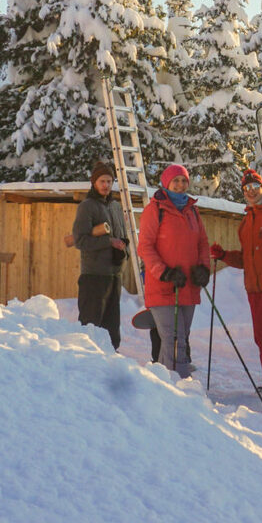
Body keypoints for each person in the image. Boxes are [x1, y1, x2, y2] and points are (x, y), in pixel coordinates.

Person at [210, 168, 262, 394]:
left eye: (255, 186)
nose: (251, 191)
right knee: (261, 334)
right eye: (246, 188)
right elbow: (246, 258)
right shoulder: (246, 222)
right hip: (253, 287)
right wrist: (225, 255)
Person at [137, 164, 213, 379]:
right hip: (163, 285)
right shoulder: (155, 209)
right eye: (175, 180)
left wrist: (203, 269)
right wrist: (164, 272)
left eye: (183, 180)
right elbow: (144, 247)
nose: (180, 185)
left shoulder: (192, 210)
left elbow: (202, 243)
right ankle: (175, 385)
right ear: (166, 183)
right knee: (172, 338)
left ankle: (172, 383)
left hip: (188, 285)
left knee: (182, 337)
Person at [71, 160, 129, 349]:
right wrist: (109, 241)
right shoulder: (87, 207)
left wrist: (123, 246)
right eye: (102, 181)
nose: (106, 185)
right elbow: (80, 241)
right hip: (94, 276)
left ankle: (111, 357)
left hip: (114, 275)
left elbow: (122, 235)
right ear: (94, 183)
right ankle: (88, 360)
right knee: (92, 325)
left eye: (109, 181)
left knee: (112, 326)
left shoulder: (115, 207)